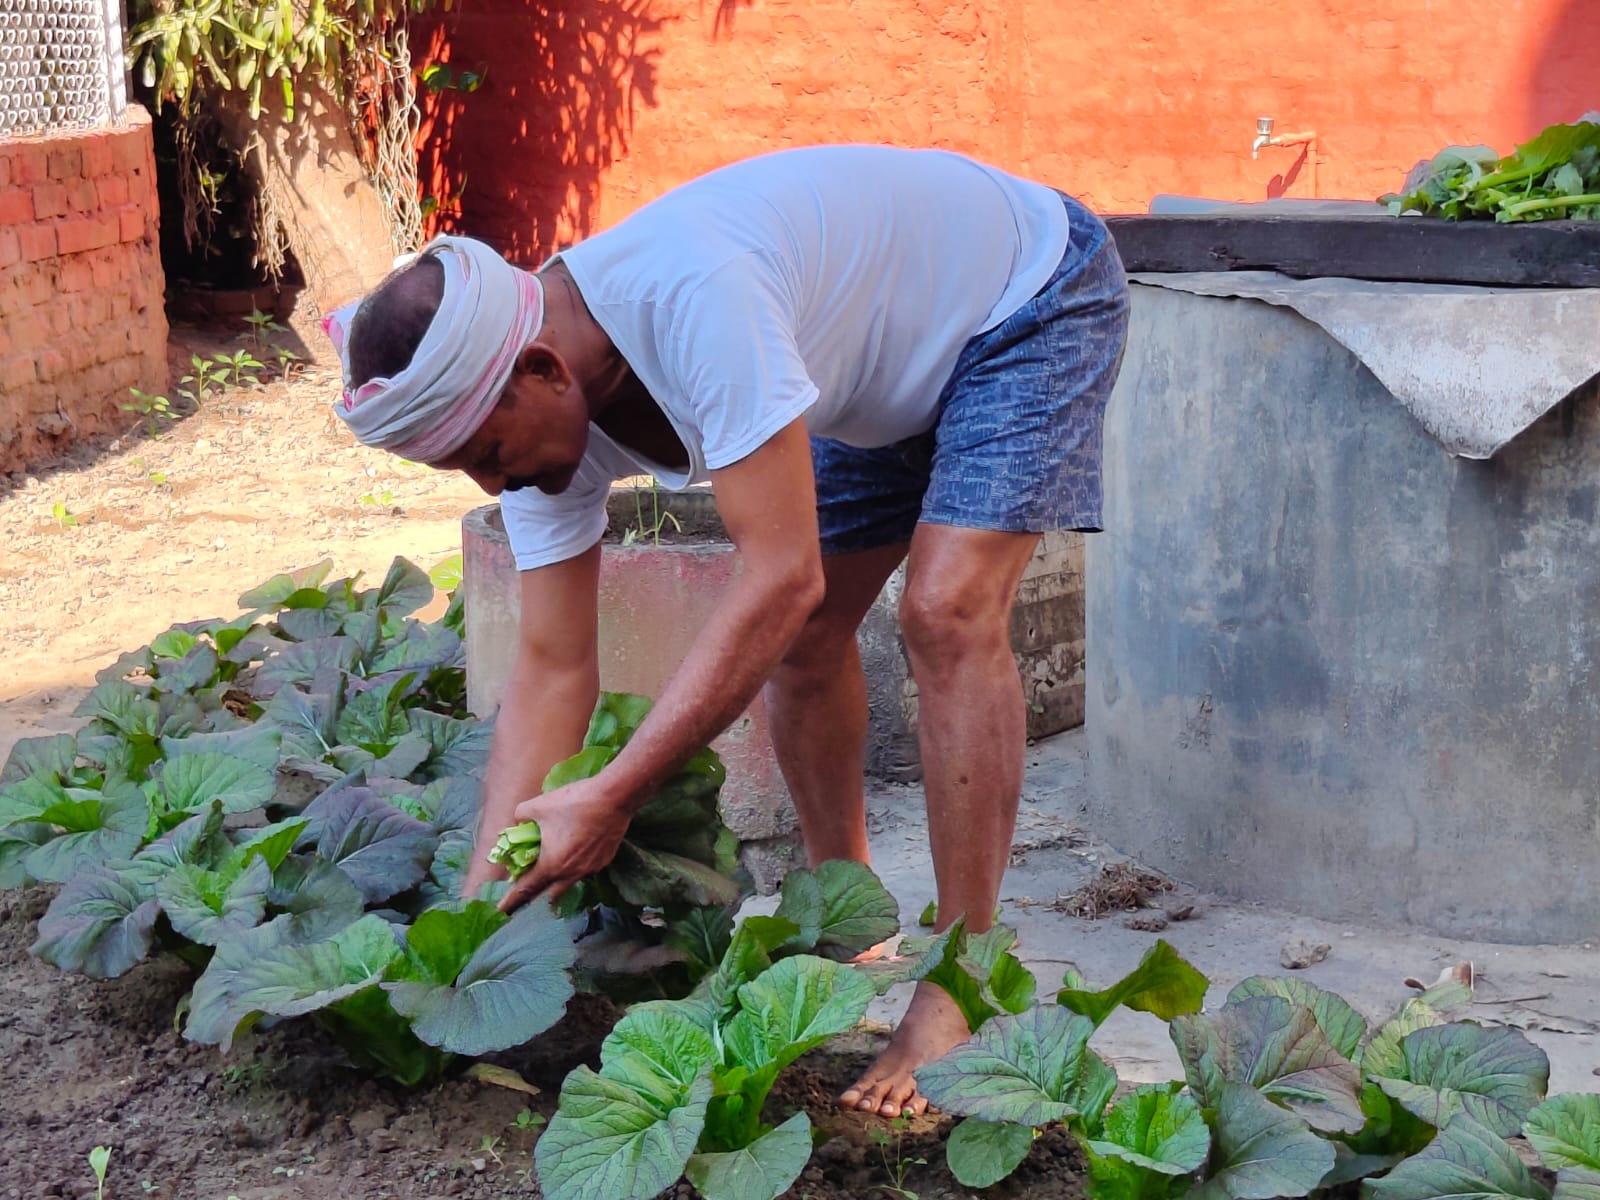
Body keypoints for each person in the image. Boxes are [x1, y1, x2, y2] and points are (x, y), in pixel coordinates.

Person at [323, 144, 1130, 1118]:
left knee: (946, 611)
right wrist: (475, 908)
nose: (492, 485)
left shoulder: (695, 297)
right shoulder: (540, 409)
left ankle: (962, 983)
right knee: (805, 639)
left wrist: (615, 791)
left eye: (487, 454)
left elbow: (779, 577)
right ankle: (848, 914)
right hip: (877, 376)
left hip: (1022, 299)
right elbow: (550, 666)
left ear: (541, 369)